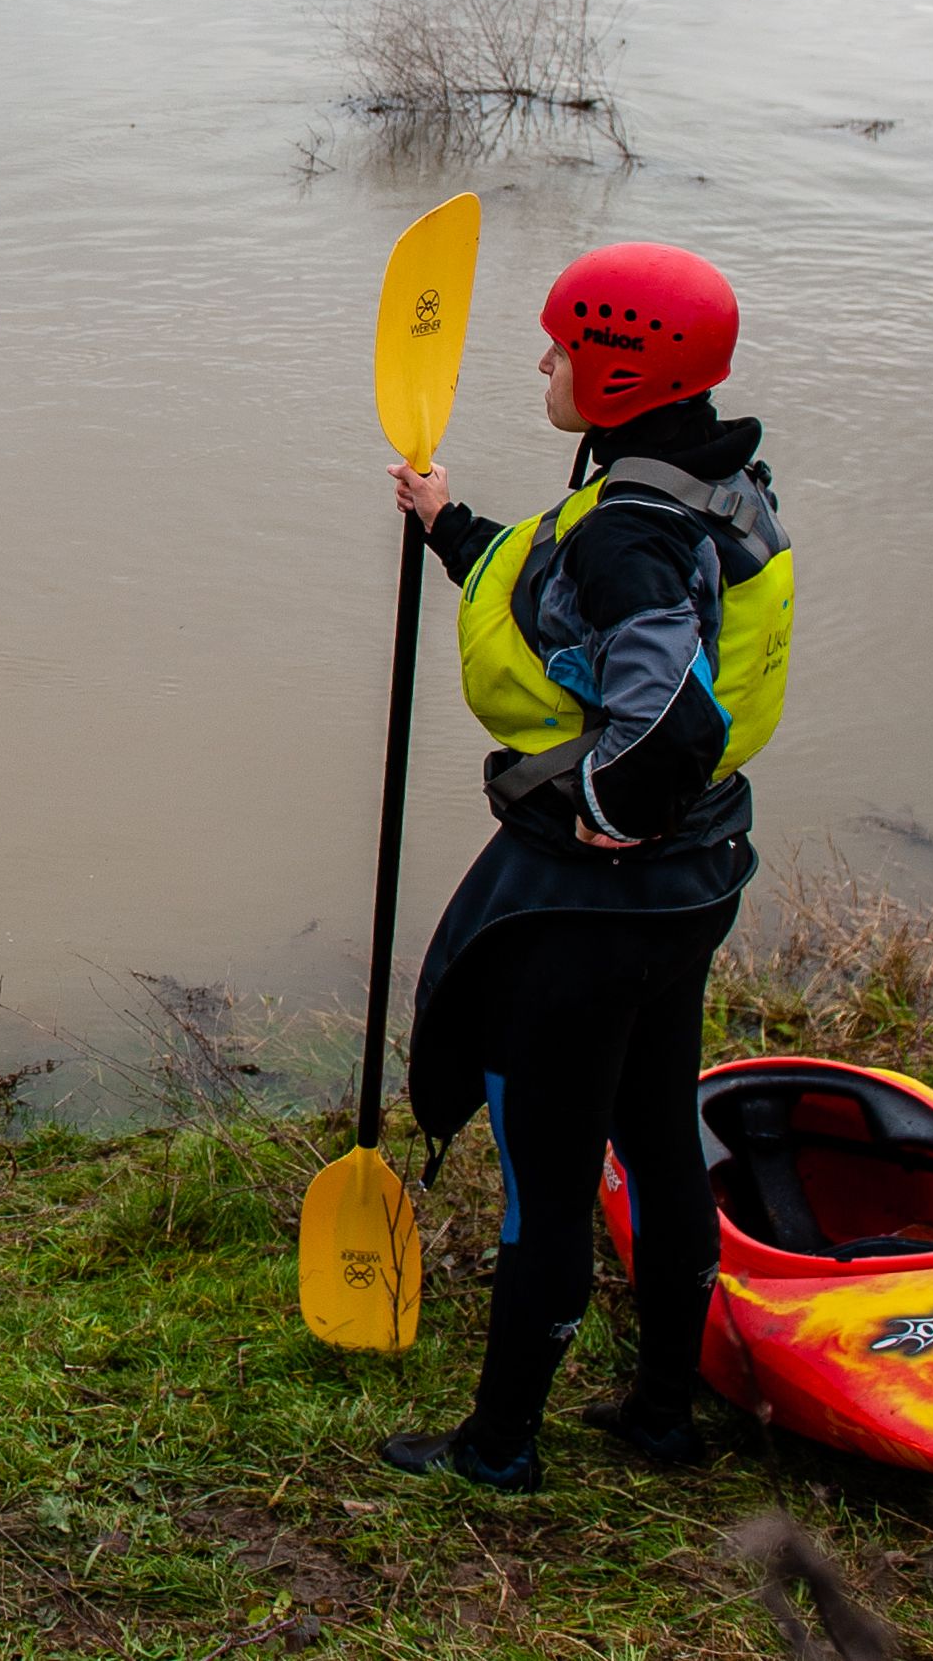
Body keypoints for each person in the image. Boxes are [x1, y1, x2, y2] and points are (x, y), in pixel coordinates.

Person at [373, 241, 795, 1489]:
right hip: (695, 880)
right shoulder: (716, 483)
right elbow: (577, 599)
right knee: (660, 1139)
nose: (543, 360)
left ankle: (496, 1444)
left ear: (615, 369)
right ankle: (662, 1412)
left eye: (561, 343)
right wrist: (447, 521)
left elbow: (662, 704)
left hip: (599, 900)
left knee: (547, 1180)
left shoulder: (630, 534)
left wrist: (610, 805)